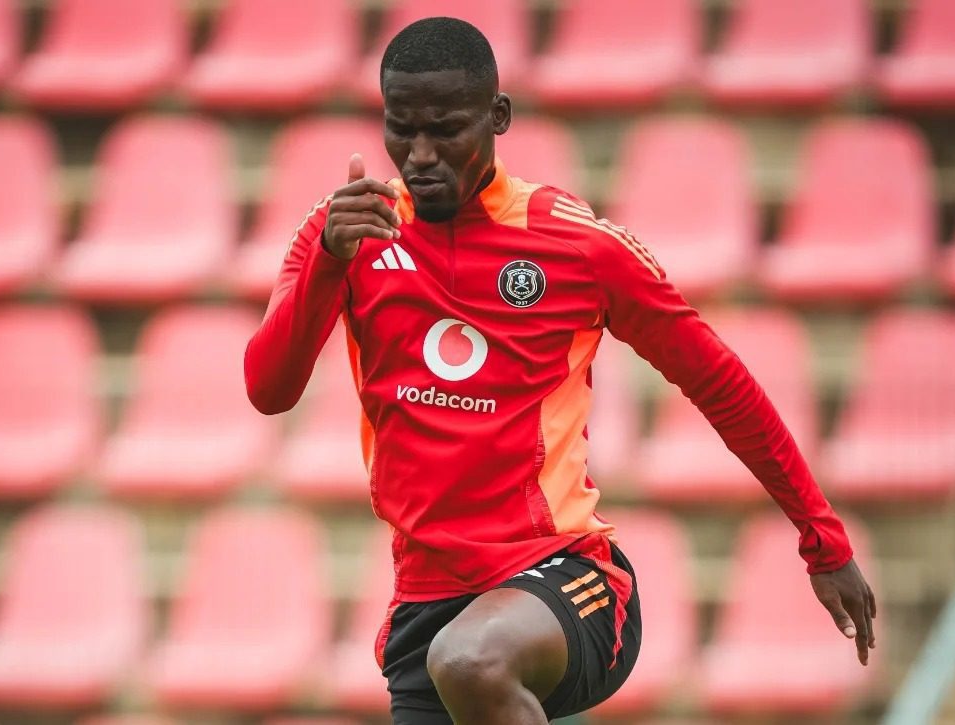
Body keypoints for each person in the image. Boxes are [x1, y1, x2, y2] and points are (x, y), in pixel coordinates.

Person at [244, 16, 876, 725]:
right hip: (426, 605)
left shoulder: (575, 244)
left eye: (446, 131)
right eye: (402, 129)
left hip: (564, 580)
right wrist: (329, 260)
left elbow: (720, 383)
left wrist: (822, 538)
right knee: (460, 656)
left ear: (498, 117)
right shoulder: (346, 232)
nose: (420, 156)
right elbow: (269, 390)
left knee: (474, 659)